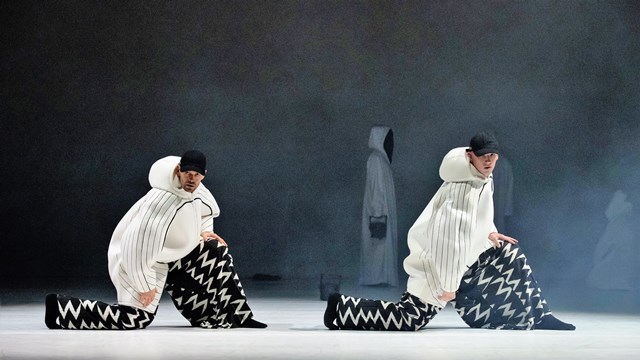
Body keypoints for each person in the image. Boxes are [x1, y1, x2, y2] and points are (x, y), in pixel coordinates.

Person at [324, 132, 575, 331]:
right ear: (470, 156)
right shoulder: (462, 188)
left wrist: (490, 232)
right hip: (439, 268)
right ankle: (341, 308)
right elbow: (449, 240)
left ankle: (540, 315)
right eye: (483, 155)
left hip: (462, 263)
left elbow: (479, 216)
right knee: (409, 318)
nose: (489, 160)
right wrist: (450, 287)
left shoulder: (481, 179)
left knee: (511, 255)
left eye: (493, 155)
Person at [45, 150, 267, 330]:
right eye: (188, 172)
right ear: (178, 170)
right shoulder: (161, 201)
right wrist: (144, 285)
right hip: (141, 261)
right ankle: (61, 309)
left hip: (178, 255)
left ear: (204, 174)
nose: (192, 178)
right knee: (134, 319)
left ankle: (238, 315)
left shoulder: (197, 188)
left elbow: (207, 211)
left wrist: (204, 231)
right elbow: (135, 246)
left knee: (216, 249)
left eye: (197, 174)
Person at [359, 126, 399, 287]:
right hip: (379, 214)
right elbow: (376, 189)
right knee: (378, 246)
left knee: (381, 248)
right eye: (388, 141)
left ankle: (380, 278)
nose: (391, 145)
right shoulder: (376, 160)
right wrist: (377, 214)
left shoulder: (380, 160)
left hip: (381, 212)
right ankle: (375, 279)